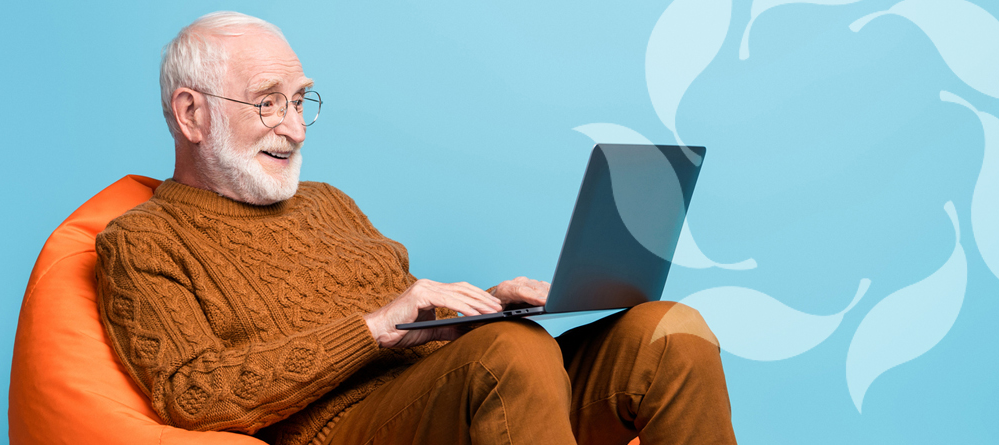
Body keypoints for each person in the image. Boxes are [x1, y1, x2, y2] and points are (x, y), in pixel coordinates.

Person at [95, 11, 736, 445]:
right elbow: (192, 394)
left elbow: (413, 329)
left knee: (667, 331)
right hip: (349, 428)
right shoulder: (142, 243)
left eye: (300, 100)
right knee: (508, 357)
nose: (293, 128)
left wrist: (483, 306)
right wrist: (373, 330)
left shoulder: (326, 202)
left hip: (462, 393)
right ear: (191, 114)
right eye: (267, 102)